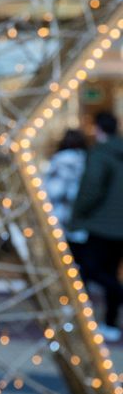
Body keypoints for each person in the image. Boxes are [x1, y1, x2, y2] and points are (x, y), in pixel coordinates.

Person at [71, 112, 123, 343]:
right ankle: (110, 323)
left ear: (97, 128)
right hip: (116, 226)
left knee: (90, 269)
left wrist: (78, 214)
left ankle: (95, 319)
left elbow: (91, 190)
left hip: (101, 225)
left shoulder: (100, 153)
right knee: (110, 272)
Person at [43, 129, 89, 265]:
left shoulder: (59, 161)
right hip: (82, 217)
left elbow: (54, 190)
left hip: (61, 217)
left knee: (62, 261)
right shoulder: (87, 159)